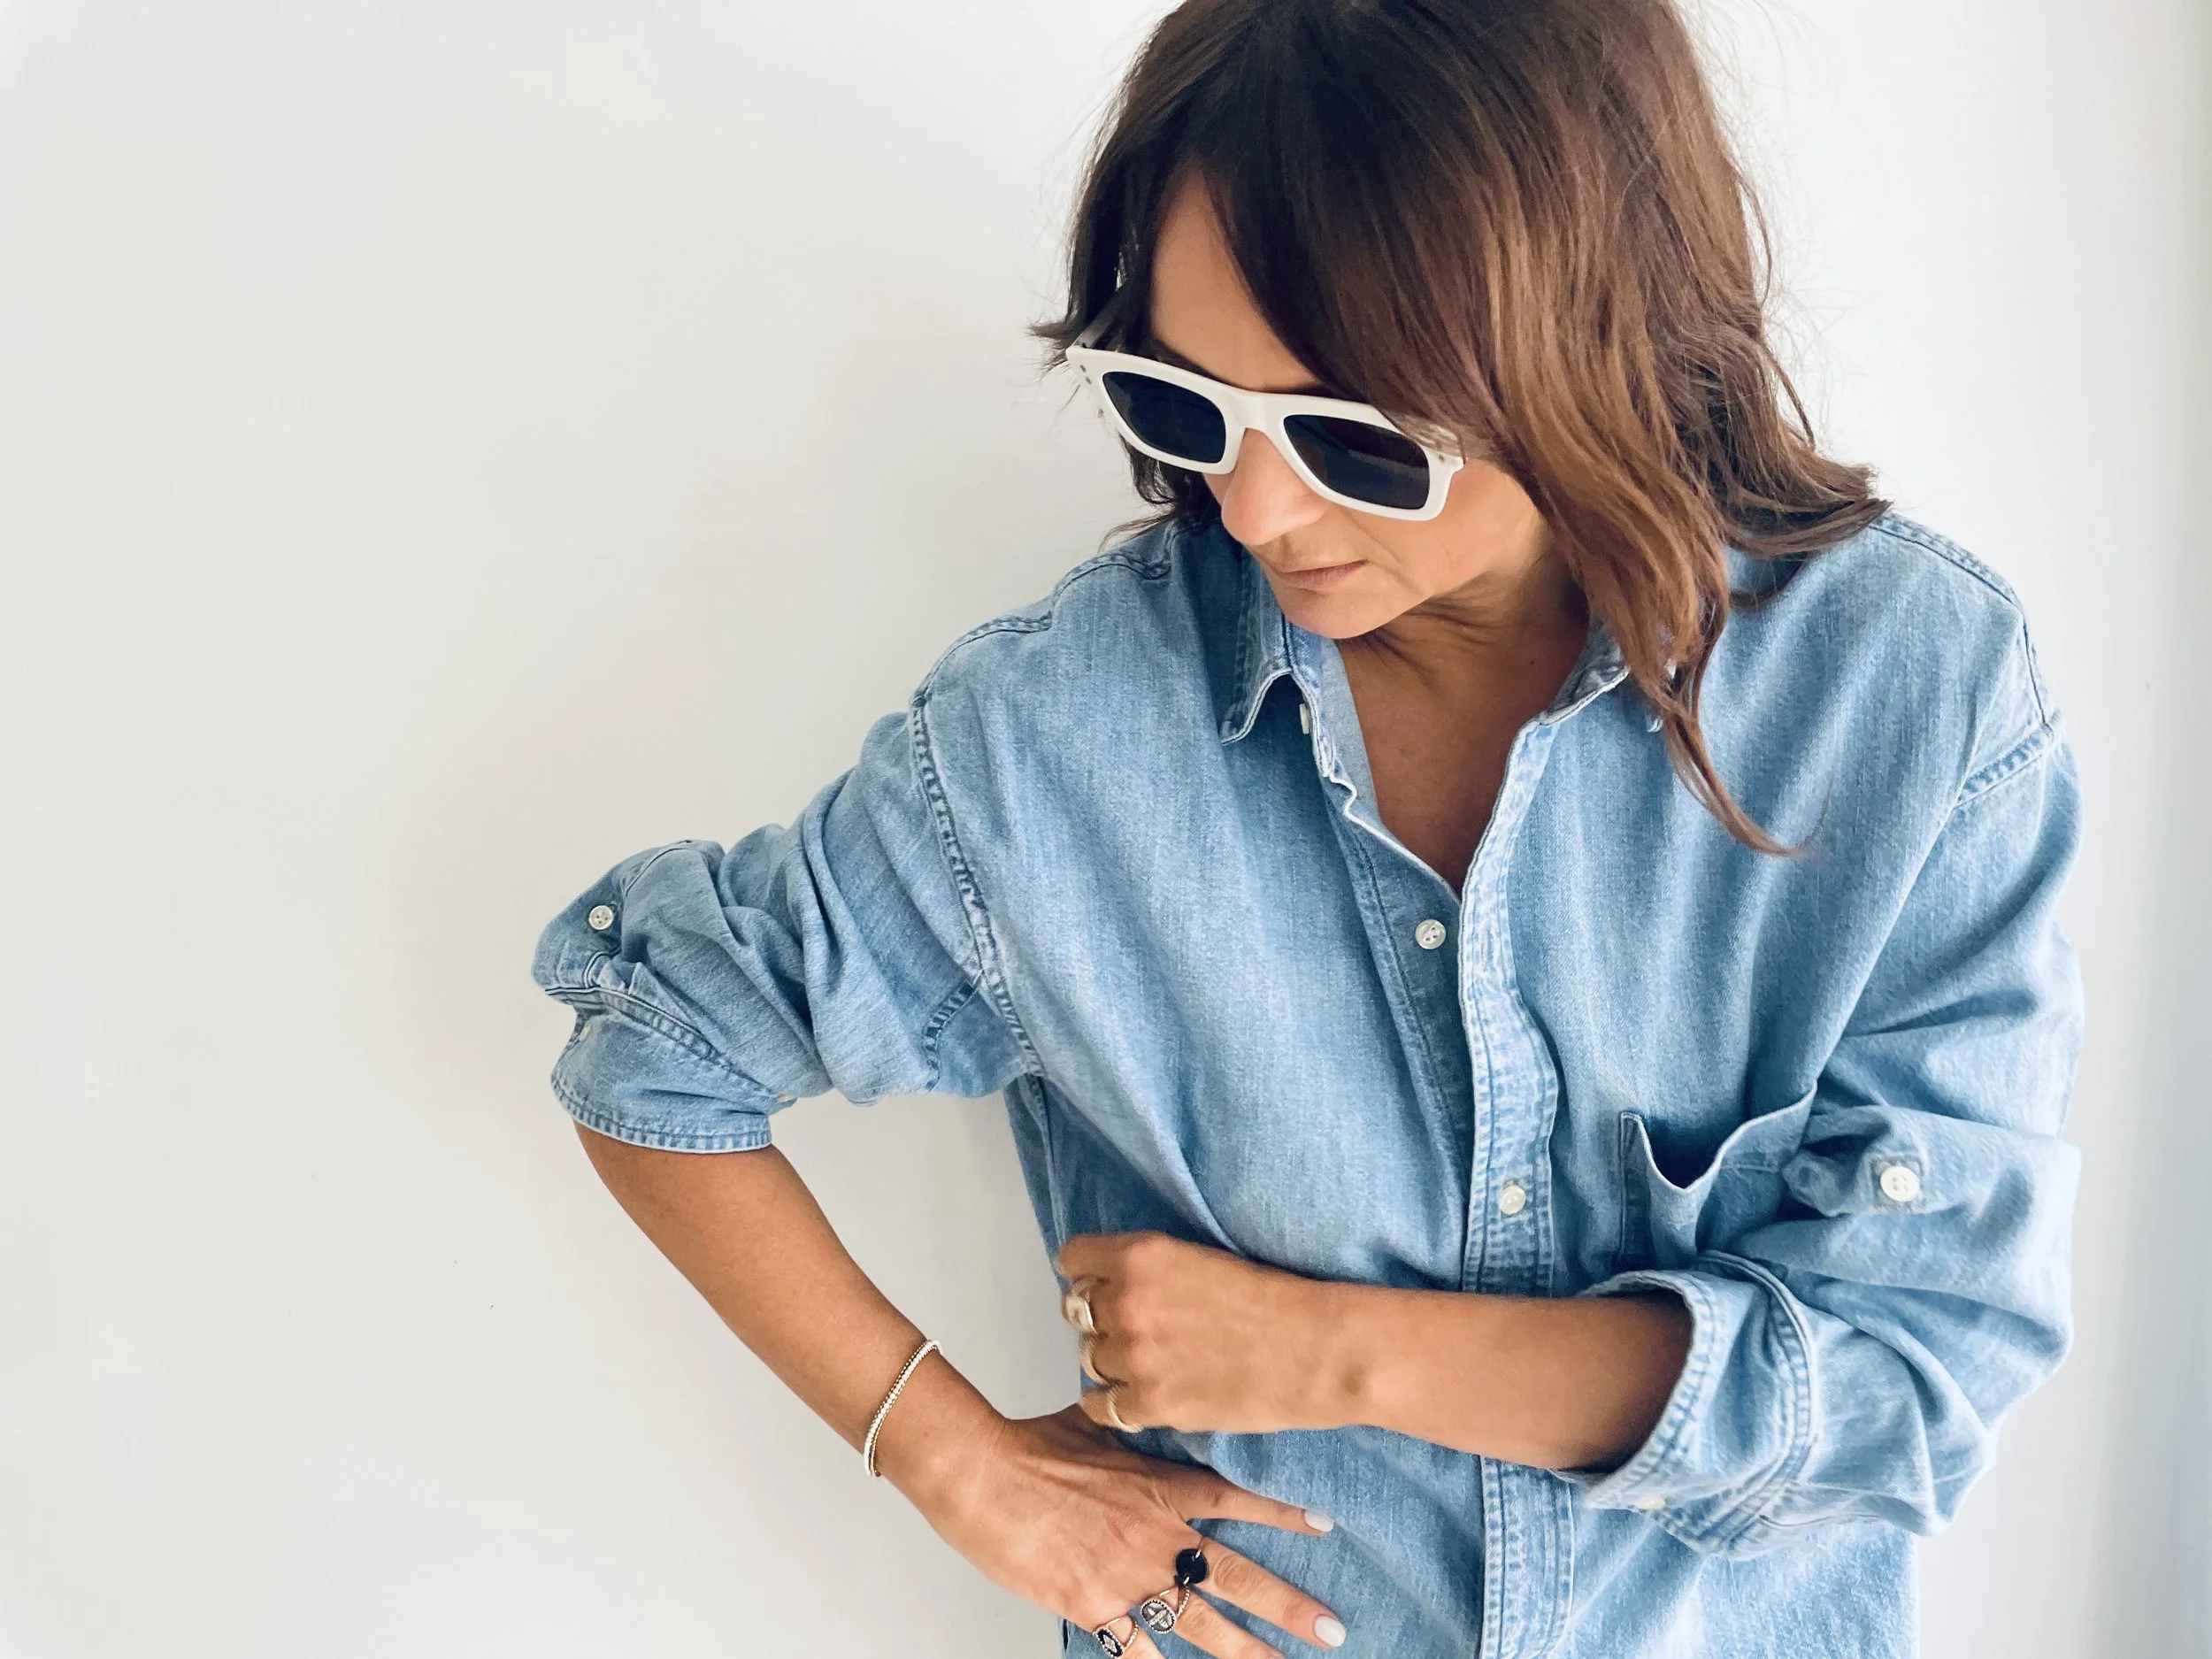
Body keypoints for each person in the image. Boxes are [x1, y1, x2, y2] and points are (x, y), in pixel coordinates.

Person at [527, 2, 2084, 1654]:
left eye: (1356, 438)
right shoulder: (1058, 737)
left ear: (1592, 342)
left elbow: (1915, 1379)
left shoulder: (1911, 699)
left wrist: (1329, 1350)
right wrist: (950, 1455)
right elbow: (654, 1047)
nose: (1257, 510)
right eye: (1191, 407)